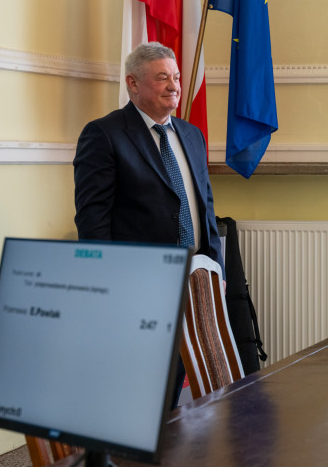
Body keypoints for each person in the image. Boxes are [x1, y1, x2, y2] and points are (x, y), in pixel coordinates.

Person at [74, 41, 223, 406]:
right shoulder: (104, 134)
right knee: (141, 389)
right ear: (133, 83)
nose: (174, 85)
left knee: (180, 382)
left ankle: (169, 454)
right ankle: (136, 459)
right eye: (162, 78)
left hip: (196, 276)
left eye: (175, 77)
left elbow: (204, 204)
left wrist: (216, 266)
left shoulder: (191, 134)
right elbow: (92, 218)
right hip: (138, 283)